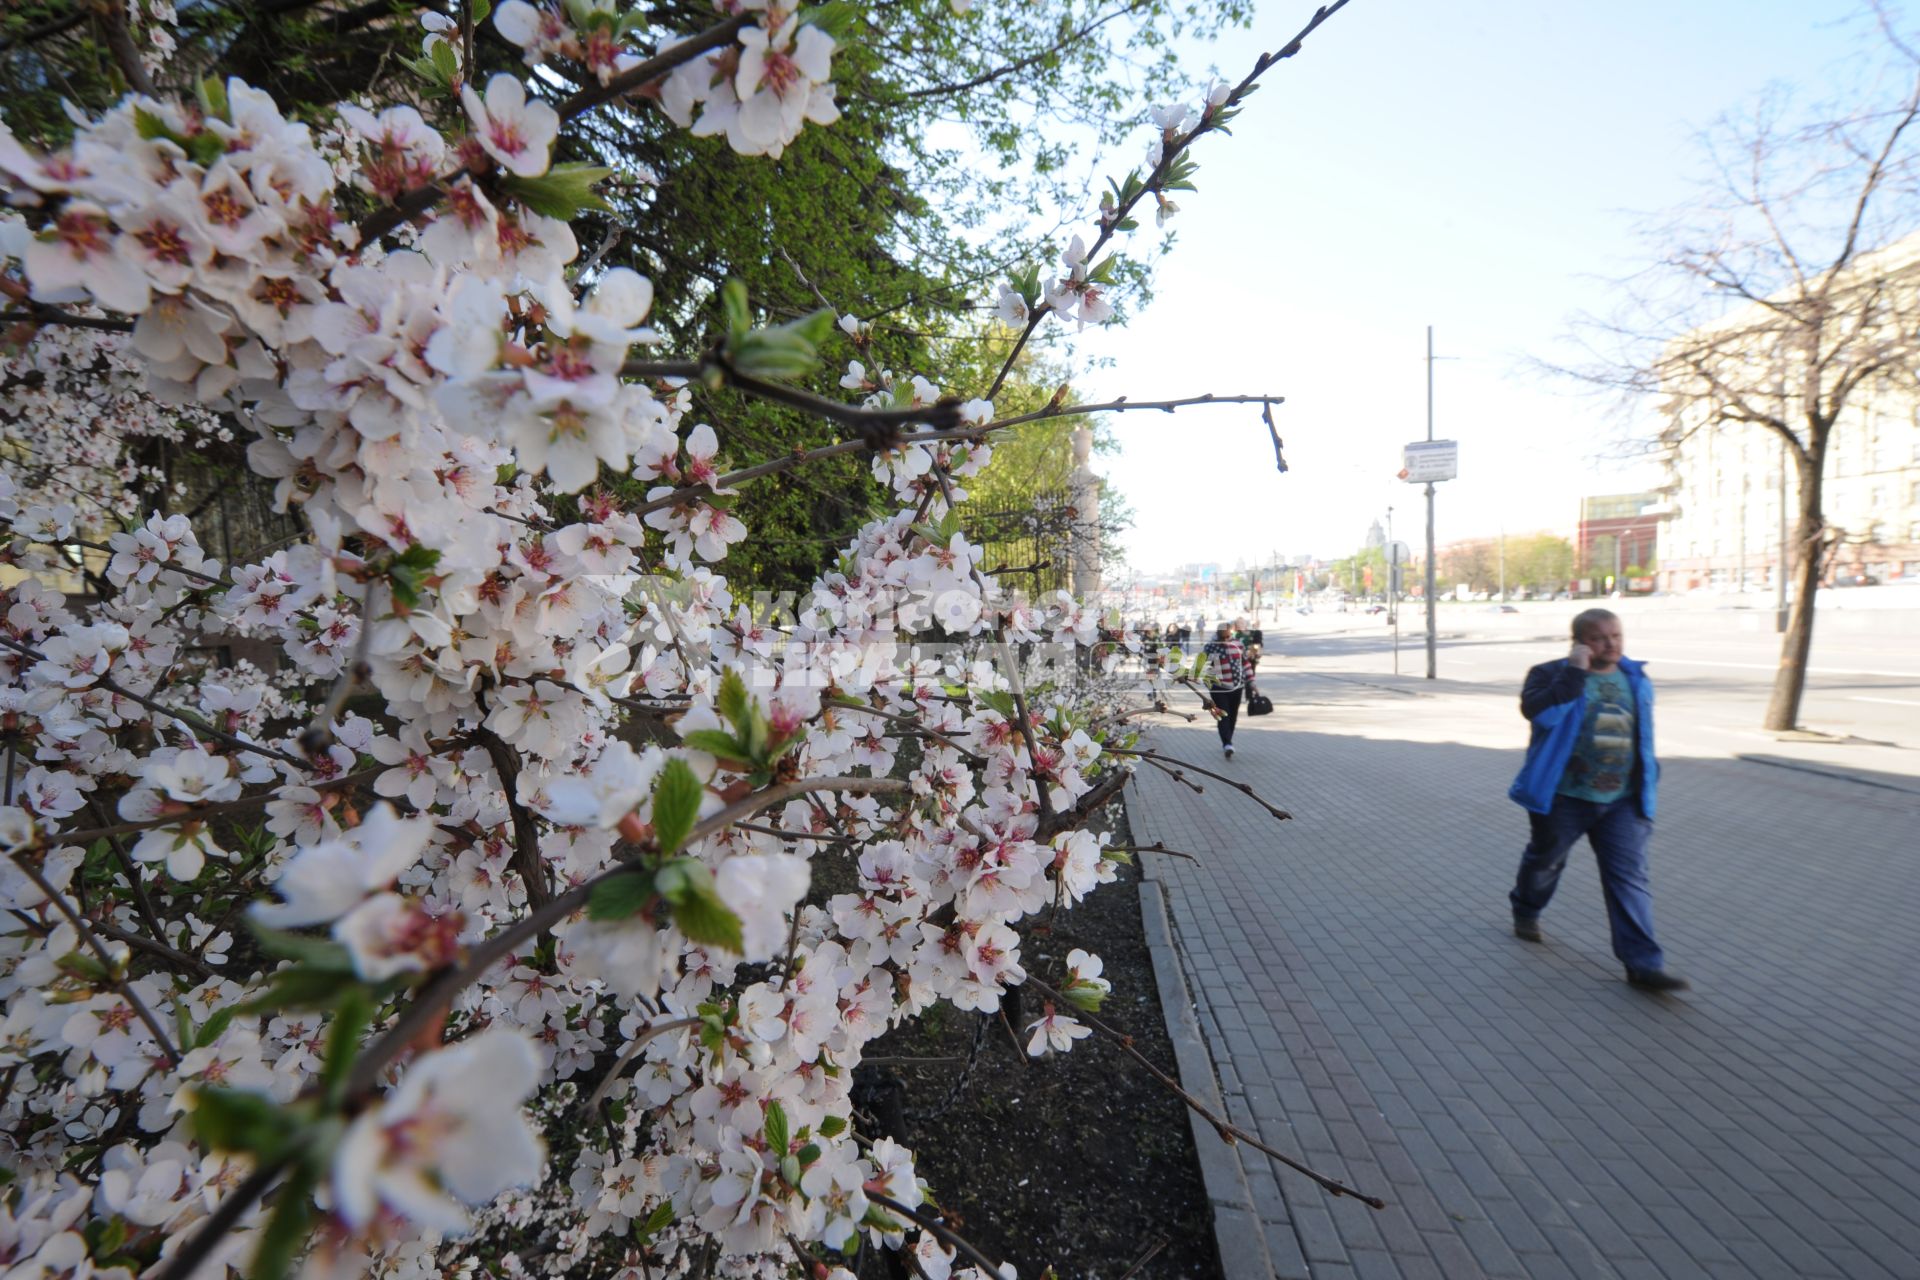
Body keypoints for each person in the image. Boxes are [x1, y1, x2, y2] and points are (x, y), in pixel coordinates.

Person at [1507, 609, 1688, 992]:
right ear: (1578, 642)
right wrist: (1574, 672)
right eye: (1600, 638)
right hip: (1564, 798)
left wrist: (1648, 779)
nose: (1612, 644)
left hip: (1623, 799)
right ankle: (1526, 908)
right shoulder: (1548, 675)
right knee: (1546, 861)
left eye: (1617, 635)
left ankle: (1643, 965)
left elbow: (1643, 733)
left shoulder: (1635, 677)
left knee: (1629, 879)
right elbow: (1543, 717)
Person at [1201, 622, 1248, 758]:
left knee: (1233, 715)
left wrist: (1251, 681)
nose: (1226, 634)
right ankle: (1227, 743)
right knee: (1223, 714)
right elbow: (1201, 664)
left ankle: (1229, 739)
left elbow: (1245, 663)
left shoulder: (1238, 644)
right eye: (1224, 632)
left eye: (1228, 632)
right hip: (1219, 687)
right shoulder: (1211, 647)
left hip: (1237, 686)